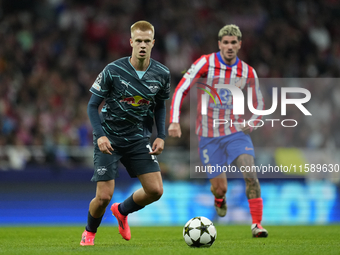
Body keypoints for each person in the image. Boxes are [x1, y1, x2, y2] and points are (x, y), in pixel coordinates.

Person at [168, 24, 268, 237]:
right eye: (226, 42)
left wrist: (253, 121)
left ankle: (257, 225)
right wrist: (174, 121)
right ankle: (219, 198)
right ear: (219, 44)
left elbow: (259, 103)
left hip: (235, 132)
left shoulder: (248, 72)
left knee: (250, 172)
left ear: (239, 44)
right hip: (208, 136)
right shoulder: (205, 63)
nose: (230, 46)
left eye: (234, 42)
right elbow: (182, 88)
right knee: (220, 188)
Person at [80, 20, 171, 246]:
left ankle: (122, 211)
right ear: (131, 42)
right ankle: (89, 232)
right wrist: (100, 135)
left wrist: (161, 135)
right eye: (138, 41)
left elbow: (160, 106)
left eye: (146, 41)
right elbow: (93, 106)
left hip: (138, 139)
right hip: (109, 138)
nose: (142, 45)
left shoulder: (162, 73)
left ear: (153, 43)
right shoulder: (113, 70)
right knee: (103, 197)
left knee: (155, 190)